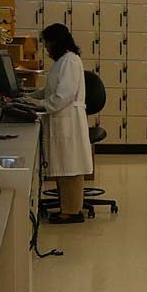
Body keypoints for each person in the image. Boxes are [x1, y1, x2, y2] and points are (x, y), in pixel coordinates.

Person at [28, 23, 93, 224]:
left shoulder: (70, 61)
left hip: (68, 120)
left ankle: (73, 212)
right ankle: (68, 208)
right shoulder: (62, 61)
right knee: (64, 167)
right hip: (61, 118)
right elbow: (50, 90)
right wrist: (29, 98)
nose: (46, 48)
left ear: (56, 42)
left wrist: (39, 105)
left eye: (47, 43)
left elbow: (62, 96)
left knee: (70, 168)